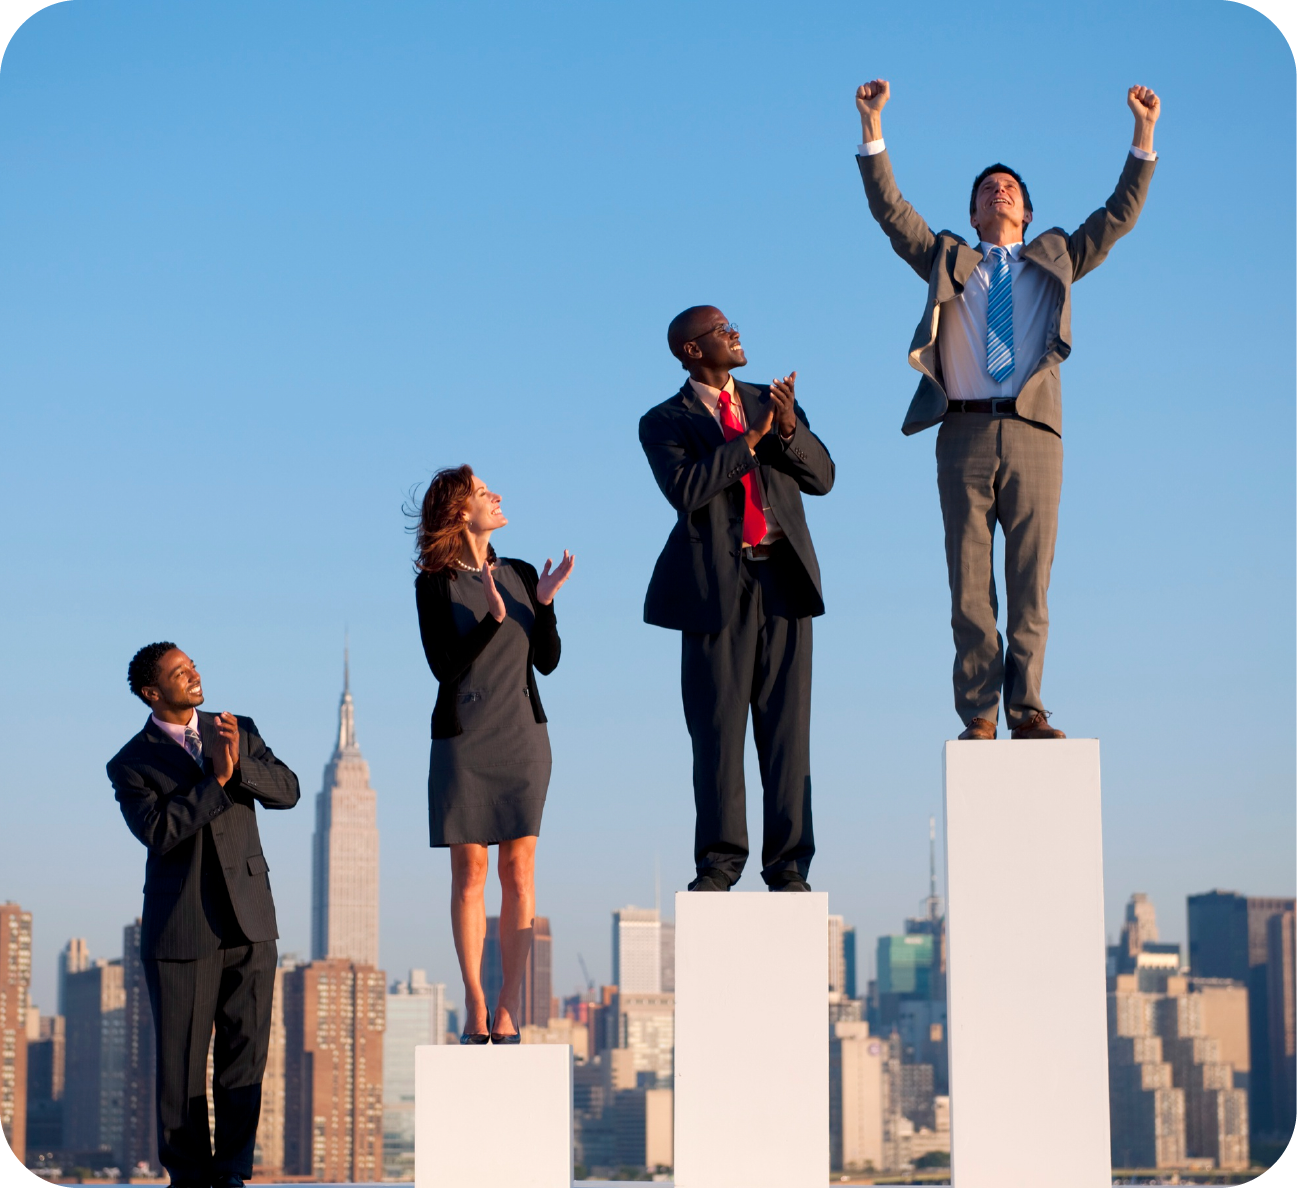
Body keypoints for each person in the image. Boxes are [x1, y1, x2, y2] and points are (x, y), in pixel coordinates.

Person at [853, 79, 1161, 740]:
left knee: (1029, 581)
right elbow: (891, 212)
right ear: (972, 215)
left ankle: (1027, 709)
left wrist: (1143, 135)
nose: (999, 190)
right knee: (968, 582)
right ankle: (979, 713)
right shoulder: (947, 257)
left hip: (1033, 433)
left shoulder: (1056, 256)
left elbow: (1118, 215)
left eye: (1010, 187)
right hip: (961, 429)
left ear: (1026, 212)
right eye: (987, 188)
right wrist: (872, 126)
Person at [640, 308, 835, 892]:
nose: (736, 334)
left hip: (785, 583)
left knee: (787, 734)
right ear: (692, 350)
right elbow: (686, 490)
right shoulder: (663, 421)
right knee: (717, 735)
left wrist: (788, 429)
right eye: (723, 329)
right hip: (714, 591)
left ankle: (789, 866)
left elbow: (823, 478)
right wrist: (750, 440)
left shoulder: (770, 402)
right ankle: (720, 865)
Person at [107, 643, 300, 1188]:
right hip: (181, 930)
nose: (193, 674)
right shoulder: (130, 763)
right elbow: (159, 831)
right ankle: (189, 1177)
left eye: (192, 665)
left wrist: (237, 770)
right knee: (181, 1066)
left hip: (250, 922)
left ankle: (233, 1171)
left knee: (245, 1057)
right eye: (179, 671)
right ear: (152, 692)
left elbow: (288, 791)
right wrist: (214, 781)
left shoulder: (236, 728)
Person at [413, 465, 574, 1043]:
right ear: (461, 512)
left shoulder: (522, 573)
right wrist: (492, 619)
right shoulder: (434, 584)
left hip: (522, 738)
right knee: (471, 872)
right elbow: (444, 668)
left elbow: (548, 661)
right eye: (484, 492)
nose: (497, 496)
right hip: (464, 740)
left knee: (519, 870)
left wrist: (544, 604)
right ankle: (475, 1003)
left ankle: (508, 1008)